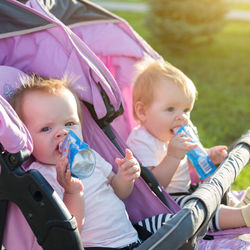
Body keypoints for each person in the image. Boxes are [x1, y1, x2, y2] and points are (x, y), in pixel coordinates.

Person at [7, 75, 141, 250]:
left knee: (173, 225)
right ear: (26, 139)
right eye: (46, 128)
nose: (62, 132)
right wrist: (71, 193)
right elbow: (67, 233)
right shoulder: (39, 178)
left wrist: (126, 177)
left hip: (130, 238)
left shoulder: (89, 156)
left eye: (70, 123)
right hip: (93, 246)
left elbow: (119, 191)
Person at [126, 58, 250, 232]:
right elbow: (153, 185)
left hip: (184, 191)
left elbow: (193, 158)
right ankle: (242, 216)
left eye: (186, 110)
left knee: (210, 191)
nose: (181, 117)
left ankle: (237, 204)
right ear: (142, 111)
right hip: (165, 201)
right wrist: (173, 156)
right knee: (198, 211)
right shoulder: (140, 141)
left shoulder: (180, 130)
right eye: (170, 109)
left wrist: (209, 154)